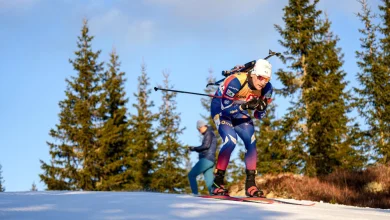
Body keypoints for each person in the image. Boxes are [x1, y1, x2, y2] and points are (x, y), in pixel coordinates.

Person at [210, 59, 273, 197]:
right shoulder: (236, 81)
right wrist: (244, 106)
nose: (263, 82)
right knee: (230, 141)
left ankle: (251, 184)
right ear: (253, 74)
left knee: (251, 141)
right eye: (261, 77)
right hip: (220, 108)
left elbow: (259, 115)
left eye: (267, 79)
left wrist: (262, 108)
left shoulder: (267, 88)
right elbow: (225, 110)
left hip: (238, 109)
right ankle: (217, 182)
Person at [187, 120, 217, 195]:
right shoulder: (210, 133)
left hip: (206, 159)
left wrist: (194, 148)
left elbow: (205, 146)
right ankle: (213, 195)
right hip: (210, 160)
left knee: (191, 175)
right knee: (209, 181)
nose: (199, 131)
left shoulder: (208, 133)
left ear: (202, 126)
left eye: (199, 129)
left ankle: (195, 193)